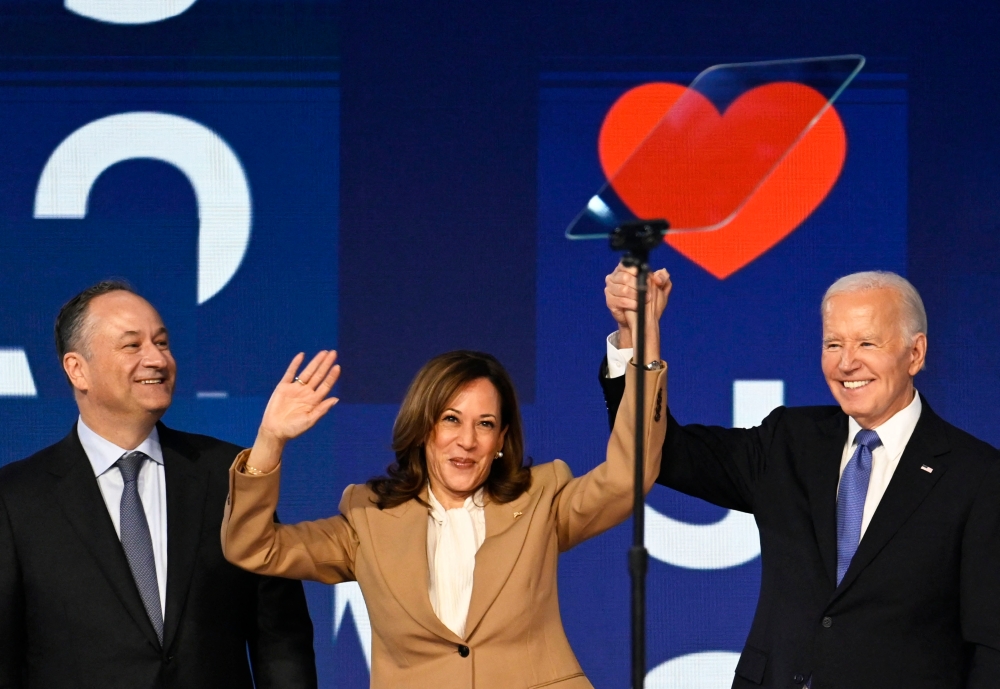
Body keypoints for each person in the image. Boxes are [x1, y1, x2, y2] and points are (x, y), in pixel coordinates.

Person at [219, 283, 668, 689]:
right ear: (423, 426)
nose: (467, 441)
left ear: (501, 441)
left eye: (485, 424)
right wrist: (269, 440)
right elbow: (252, 546)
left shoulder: (540, 499)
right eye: (451, 419)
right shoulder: (367, 519)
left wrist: (639, 347)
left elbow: (629, 475)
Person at [601, 266, 1000, 689]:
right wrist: (636, 339)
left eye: (867, 342)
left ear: (915, 354)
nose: (847, 362)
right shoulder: (790, 441)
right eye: (833, 344)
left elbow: (991, 645)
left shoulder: (976, 476)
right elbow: (660, 452)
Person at [0, 281, 317, 689]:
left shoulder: (230, 474)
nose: (157, 359)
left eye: (162, 343)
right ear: (77, 369)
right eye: (132, 346)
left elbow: (281, 640)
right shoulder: (16, 498)